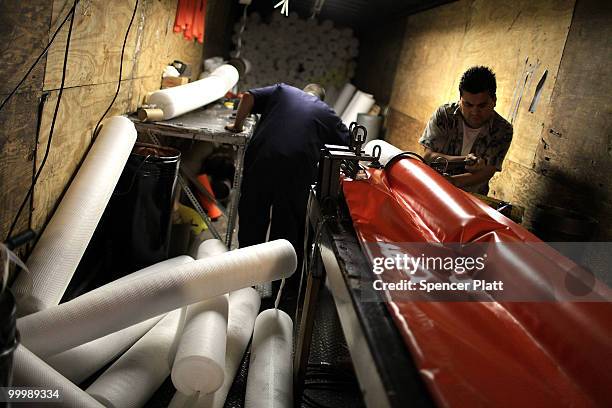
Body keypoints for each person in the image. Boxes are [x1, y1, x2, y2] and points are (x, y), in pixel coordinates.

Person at [226, 83, 350, 303]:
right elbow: (349, 146)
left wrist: (237, 126)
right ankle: (283, 293)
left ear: (304, 90)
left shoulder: (282, 90)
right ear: (322, 99)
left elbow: (247, 97)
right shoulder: (326, 113)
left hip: (261, 160)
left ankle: (243, 284)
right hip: (296, 172)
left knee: (252, 219)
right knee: (287, 229)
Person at [419, 66, 513, 195]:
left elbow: (487, 172)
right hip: (432, 191)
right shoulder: (445, 115)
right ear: (460, 100)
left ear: (494, 101)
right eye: (468, 104)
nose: (475, 112)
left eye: (482, 105)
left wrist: (451, 182)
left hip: (470, 199)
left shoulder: (502, 129)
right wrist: (464, 160)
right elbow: (429, 157)